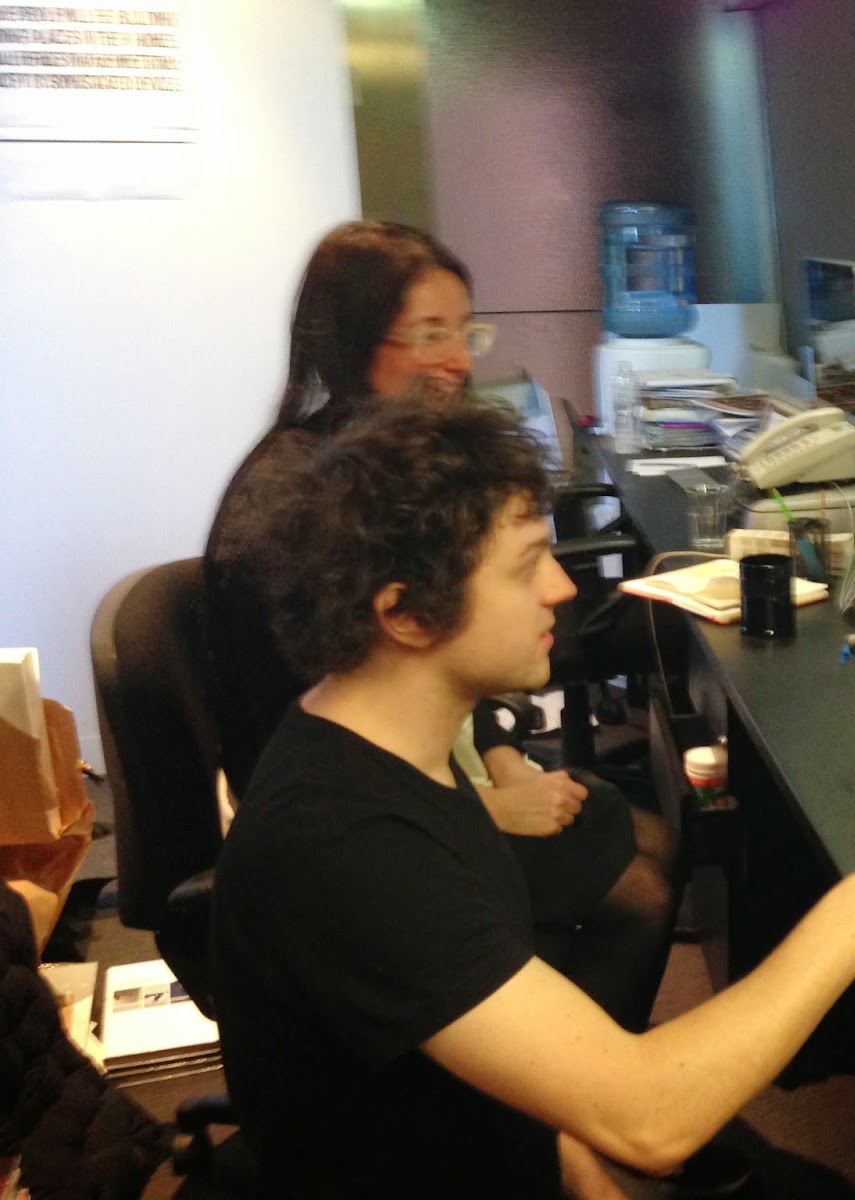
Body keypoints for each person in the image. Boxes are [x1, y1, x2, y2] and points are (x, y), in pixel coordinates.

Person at [210, 395, 855, 1196]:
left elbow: (481, 1038)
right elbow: (650, 1117)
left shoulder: (388, 746)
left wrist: (581, 1163)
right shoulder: (346, 846)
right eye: (526, 566)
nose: (561, 588)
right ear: (404, 614)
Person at [204, 219, 676, 1031]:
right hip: (362, 830)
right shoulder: (302, 511)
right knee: (642, 887)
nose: (458, 360)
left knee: (655, 838)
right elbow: (333, 753)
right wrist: (482, 810)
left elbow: (441, 653)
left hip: (438, 769)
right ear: (351, 339)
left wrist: (502, 758)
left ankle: (562, 1066)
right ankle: (558, 1089)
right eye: (429, 334)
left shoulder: (387, 463)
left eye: (465, 331)